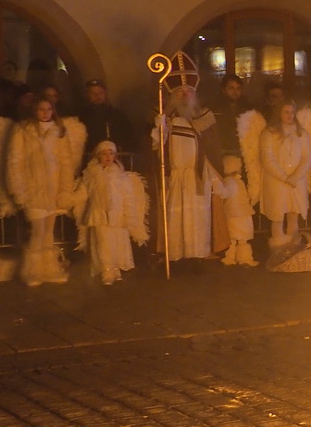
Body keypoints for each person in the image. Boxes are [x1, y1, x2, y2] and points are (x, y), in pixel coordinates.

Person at [0, 98, 86, 286]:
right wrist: (19, 191)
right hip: (33, 189)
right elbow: (14, 162)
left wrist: (64, 190)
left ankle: (49, 270)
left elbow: (65, 163)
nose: (45, 113)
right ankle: (33, 271)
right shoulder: (23, 131)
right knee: (38, 231)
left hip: (53, 190)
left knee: (48, 231)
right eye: (41, 109)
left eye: (48, 109)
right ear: (34, 111)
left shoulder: (59, 131)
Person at [152, 84, 221, 261]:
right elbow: (156, 146)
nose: (184, 94)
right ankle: (175, 253)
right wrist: (159, 129)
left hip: (197, 175)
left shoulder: (204, 117)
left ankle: (198, 253)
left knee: (197, 216)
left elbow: (211, 147)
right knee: (175, 215)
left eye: (188, 90)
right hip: (174, 175)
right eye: (180, 91)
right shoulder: (165, 118)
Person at [74, 142, 148, 284]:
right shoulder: (91, 175)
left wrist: (129, 215)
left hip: (117, 215)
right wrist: (69, 199)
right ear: (98, 155)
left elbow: (128, 197)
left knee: (117, 241)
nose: (108, 157)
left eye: (111, 153)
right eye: (104, 153)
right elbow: (83, 193)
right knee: (103, 242)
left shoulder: (121, 176)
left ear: (115, 156)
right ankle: (106, 270)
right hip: (99, 215)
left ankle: (115, 268)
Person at [248, 101, 311, 250]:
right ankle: (279, 249)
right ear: (279, 113)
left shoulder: (301, 133)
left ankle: (293, 248)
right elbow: (268, 159)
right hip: (276, 182)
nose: (290, 115)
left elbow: (307, 156)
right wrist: (285, 177)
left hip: (296, 182)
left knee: (293, 213)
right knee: (277, 216)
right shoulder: (269, 133)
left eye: (292, 112)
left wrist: (296, 176)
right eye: (286, 112)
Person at [77, 79, 136, 158]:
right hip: (90, 159)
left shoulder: (118, 116)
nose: (97, 96)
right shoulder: (81, 117)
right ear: (88, 95)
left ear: (105, 93)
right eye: (93, 93)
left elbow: (129, 139)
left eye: (100, 93)